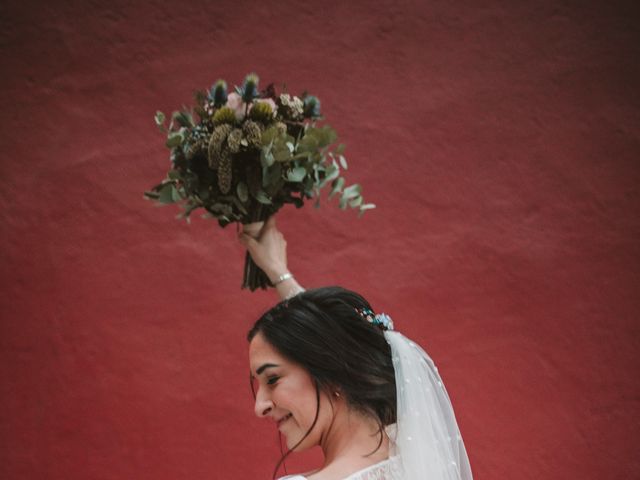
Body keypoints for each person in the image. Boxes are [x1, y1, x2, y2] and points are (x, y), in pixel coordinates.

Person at [240, 217, 473, 480]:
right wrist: (278, 272)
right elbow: (333, 334)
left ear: (332, 371)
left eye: (272, 378)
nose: (260, 407)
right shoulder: (422, 460)